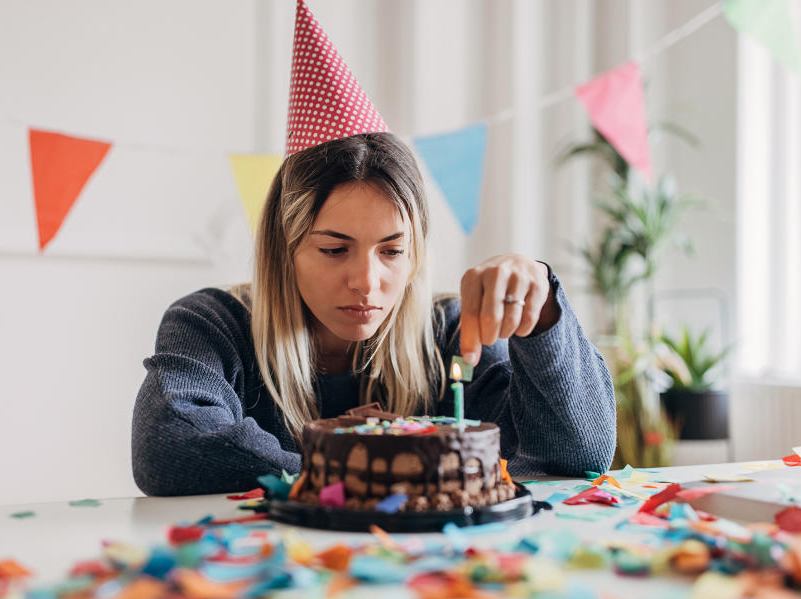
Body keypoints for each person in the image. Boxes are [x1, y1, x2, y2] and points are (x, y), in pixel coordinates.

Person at [132, 0, 615, 496]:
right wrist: (381, 466)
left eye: (391, 250)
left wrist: (542, 319)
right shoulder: (213, 326)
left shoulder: (449, 334)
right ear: (285, 248)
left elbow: (574, 458)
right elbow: (169, 448)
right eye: (334, 249)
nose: (366, 281)